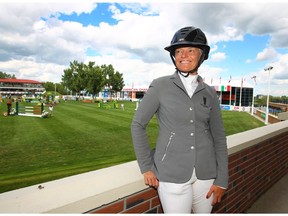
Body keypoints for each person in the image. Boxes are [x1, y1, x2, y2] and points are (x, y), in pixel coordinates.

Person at [131, 26, 228, 213]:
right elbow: (137, 125)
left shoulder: (209, 92)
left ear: (202, 55)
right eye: (178, 51)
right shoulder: (160, 86)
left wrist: (222, 179)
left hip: (206, 173)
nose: (183, 55)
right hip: (171, 174)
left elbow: (218, 136)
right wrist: (146, 167)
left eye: (190, 50)